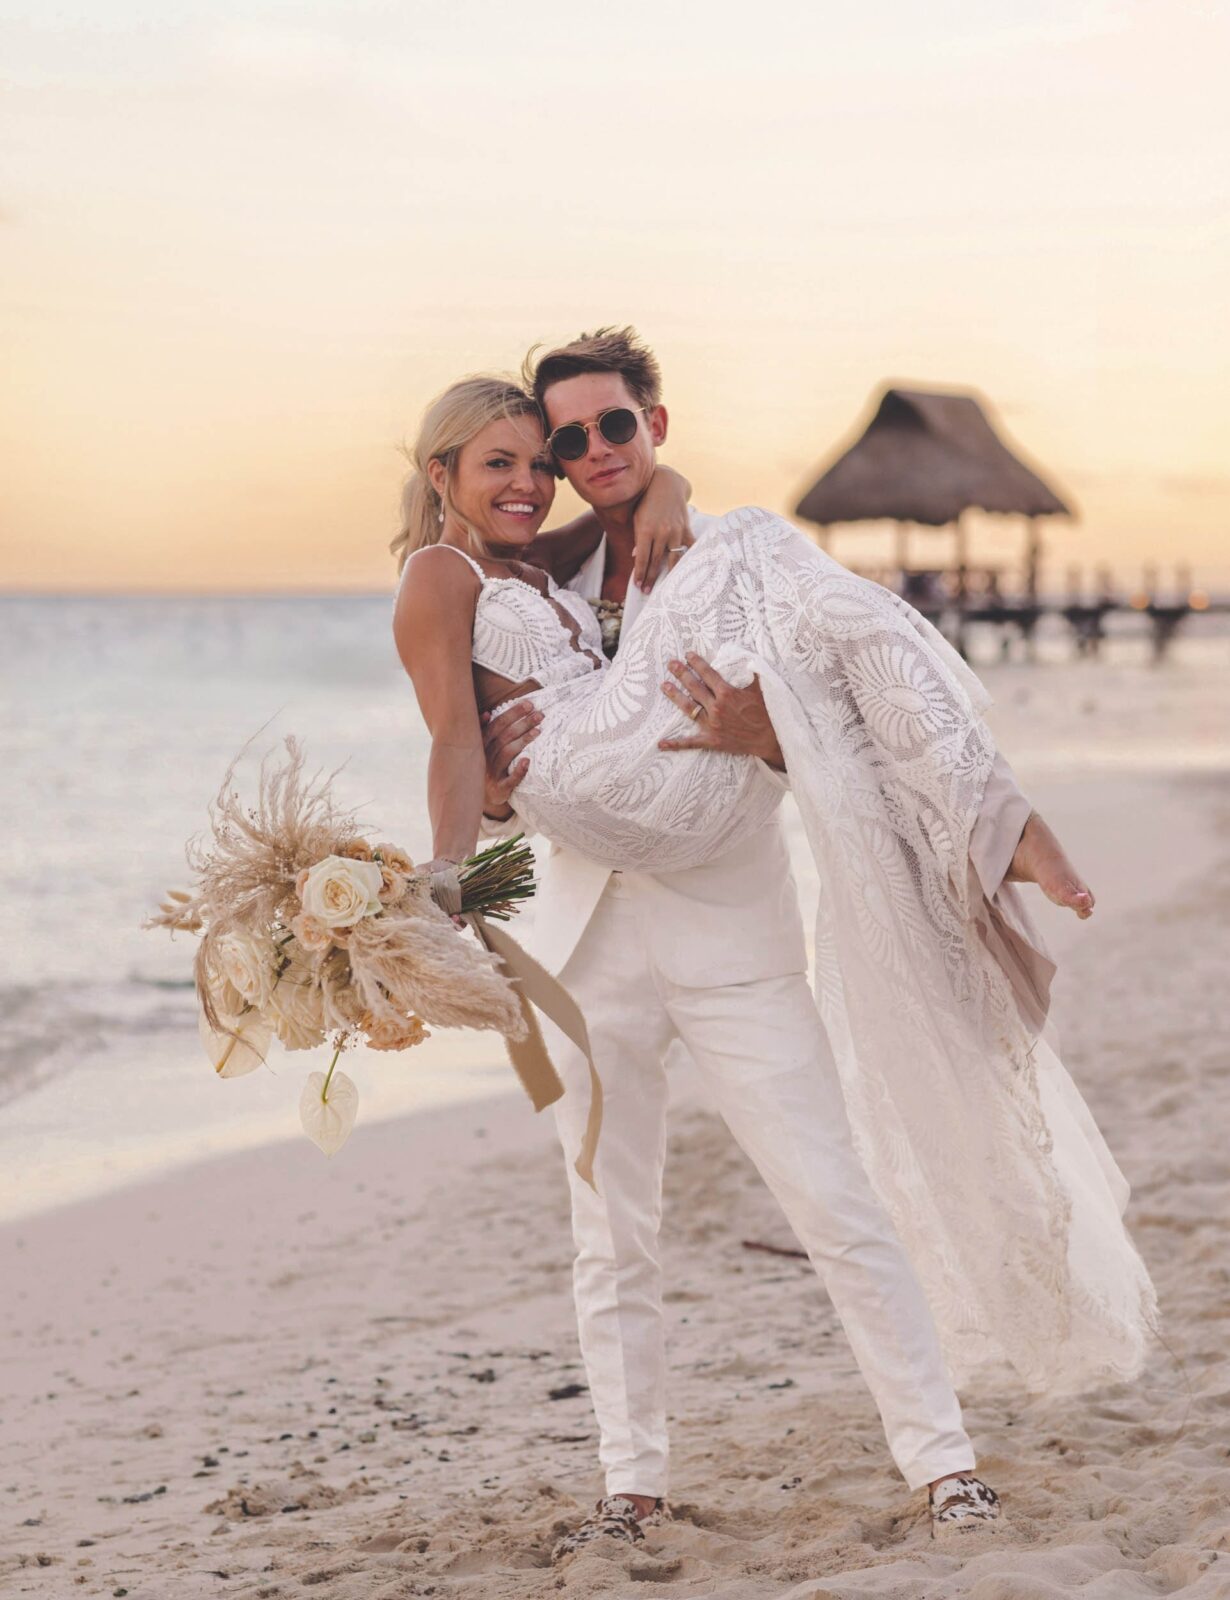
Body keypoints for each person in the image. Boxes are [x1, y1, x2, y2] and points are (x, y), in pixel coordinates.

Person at [390, 338, 1158, 1557]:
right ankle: (630, 1483)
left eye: (601, 438)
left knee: (835, 1198)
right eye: (549, 448)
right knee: (611, 1226)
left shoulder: (638, 555)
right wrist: (455, 897)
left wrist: (771, 730)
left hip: (729, 929)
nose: (570, 466)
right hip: (583, 946)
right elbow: (471, 765)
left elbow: (781, 687)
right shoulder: (508, 568)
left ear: (655, 427)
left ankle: (942, 1462)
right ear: (445, 473)